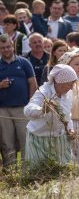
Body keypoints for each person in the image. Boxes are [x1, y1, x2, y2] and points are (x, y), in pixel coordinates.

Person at [24, 64, 77, 167]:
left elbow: (67, 115)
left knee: (63, 171)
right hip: (39, 138)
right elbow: (28, 110)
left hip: (59, 138)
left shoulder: (68, 94)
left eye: (72, 84)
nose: (70, 87)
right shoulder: (44, 92)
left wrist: (70, 129)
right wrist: (42, 109)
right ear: (58, 82)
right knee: (38, 172)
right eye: (68, 84)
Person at [0, 34, 37, 169]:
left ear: (13, 46)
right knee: (6, 142)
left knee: (25, 140)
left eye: (8, 46)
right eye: (3, 48)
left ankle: (27, 170)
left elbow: (33, 83)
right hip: (3, 110)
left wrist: (31, 103)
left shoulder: (24, 62)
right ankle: (10, 172)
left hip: (23, 108)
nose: (6, 50)